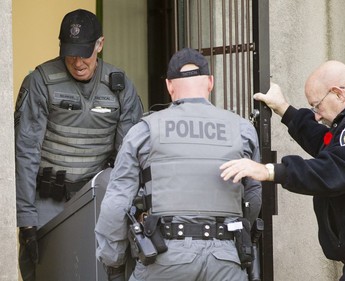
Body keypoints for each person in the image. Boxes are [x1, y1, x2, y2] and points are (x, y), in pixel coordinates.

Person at [95, 48, 262, 281]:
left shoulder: (145, 131)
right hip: (226, 260)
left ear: (169, 86)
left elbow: (116, 204)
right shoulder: (242, 130)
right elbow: (253, 197)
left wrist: (113, 263)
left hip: (164, 258)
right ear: (210, 82)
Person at [14, 9, 143, 281]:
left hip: (96, 197)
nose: (77, 62)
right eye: (70, 53)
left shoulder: (120, 87)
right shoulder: (41, 82)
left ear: (100, 44)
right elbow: (25, 152)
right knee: (43, 271)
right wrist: (26, 219)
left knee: (100, 270)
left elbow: (129, 159)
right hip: (48, 197)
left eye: (84, 53)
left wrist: (131, 211)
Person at [220, 60, 345, 281]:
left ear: (338, 94)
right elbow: (328, 144)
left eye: (317, 106)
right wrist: (284, 109)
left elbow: (336, 168)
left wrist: (270, 171)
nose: (318, 116)